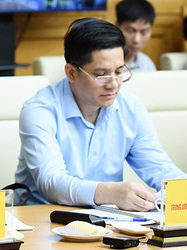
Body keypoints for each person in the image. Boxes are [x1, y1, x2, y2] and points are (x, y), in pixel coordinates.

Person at [15, 18, 186, 209]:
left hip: (110, 223)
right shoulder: (40, 111)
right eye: (101, 74)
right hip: (43, 219)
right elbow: (52, 183)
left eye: (119, 71)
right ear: (71, 73)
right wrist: (111, 193)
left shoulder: (131, 108)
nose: (113, 84)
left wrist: (181, 190)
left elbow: (161, 169)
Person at [115, 0, 156, 72]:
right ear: (117, 26)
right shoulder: (105, 63)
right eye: (131, 31)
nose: (137, 40)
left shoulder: (147, 64)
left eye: (144, 32)